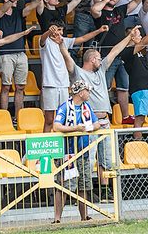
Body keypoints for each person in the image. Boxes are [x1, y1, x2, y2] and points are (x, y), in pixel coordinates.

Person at [55, 28, 133, 201]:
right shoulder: (78, 72)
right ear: (91, 59)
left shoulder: (101, 70)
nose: (101, 60)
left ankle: (105, 193)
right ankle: (85, 193)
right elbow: (67, 59)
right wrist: (61, 45)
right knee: (88, 160)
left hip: (104, 121)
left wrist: (128, 37)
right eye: (98, 58)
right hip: (88, 121)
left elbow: (115, 51)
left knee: (106, 159)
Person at [53, 80, 101, 223]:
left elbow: (97, 123)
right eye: (87, 90)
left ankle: (84, 216)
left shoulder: (87, 107)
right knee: (64, 186)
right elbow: (56, 126)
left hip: (83, 152)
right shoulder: (65, 107)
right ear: (80, 93)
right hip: (68, 154)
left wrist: (89, 128)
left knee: (84, 186)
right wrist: (76, 129)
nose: (89, 93)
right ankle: (57, 219)